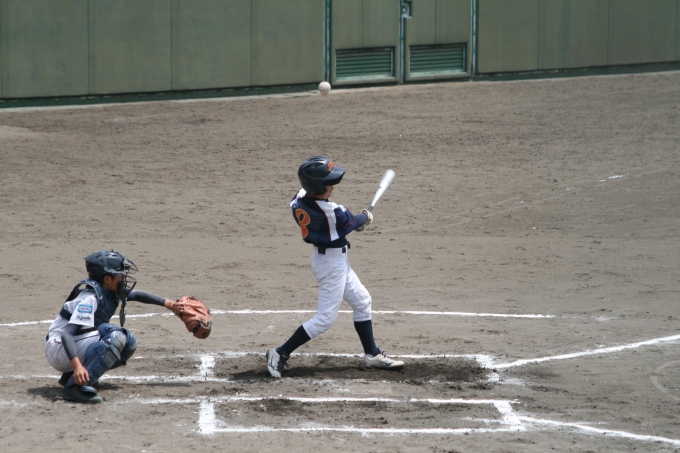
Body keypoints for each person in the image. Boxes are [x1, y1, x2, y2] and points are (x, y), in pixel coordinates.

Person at [266, 156, 404, 377]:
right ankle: (280, 352)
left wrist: (355, 223)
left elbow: (347, 223)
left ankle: (371, 355)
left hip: (332, 260)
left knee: (362, 301)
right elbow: (353, 220)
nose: (333, 185)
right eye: (329, 182)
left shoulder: (300, 198)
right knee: (325, 319)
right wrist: (365, 216)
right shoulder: (332, 212)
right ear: (318, 187)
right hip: (331, 266)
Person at [44, 250, 176, 404]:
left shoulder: (108, 291)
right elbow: (67, 334)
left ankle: (72, 376)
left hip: (71, 345)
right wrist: (77, 365)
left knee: (129, 343)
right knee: (115, 337)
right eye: (120, 275)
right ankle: (74, 388)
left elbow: (137, 295)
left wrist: (170, 304)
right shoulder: (90, 299)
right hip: (59, 348)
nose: (124, 278)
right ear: (107, 279)